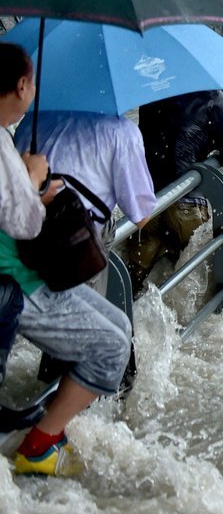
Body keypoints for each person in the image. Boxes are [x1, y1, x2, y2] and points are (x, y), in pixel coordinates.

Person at [0, 43, 132, 477]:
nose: (34, 89)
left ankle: (47, 434)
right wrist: (33, 181)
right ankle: (39, 446)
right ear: (21, 86)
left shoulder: (6, 136)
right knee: (112, 346)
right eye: (32, 81)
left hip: (22, 268)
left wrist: (27, 185)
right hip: (15, 280)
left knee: (121, 326)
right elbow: (23, 223)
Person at [130, 90, 223, 296]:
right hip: (187, 206)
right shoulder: (214, 96)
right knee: (216, 279)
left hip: (150, 205)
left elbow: (160, 137)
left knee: (132, 285)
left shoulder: (151, 93)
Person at [15, 110, 157, 231]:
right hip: (74, 241)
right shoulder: (122, 131)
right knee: (109, 225)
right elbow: (141, 216)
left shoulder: (33, 116)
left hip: (20, 229)